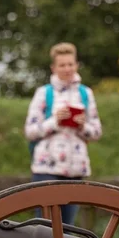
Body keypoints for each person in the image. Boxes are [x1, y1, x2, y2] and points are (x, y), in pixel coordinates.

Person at [23, 43, 103, 225]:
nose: (67, 69)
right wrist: (55, 121)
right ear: (54, 68)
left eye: (70, 64)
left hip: (75, 170)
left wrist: (82, 125)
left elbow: (97, 131)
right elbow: (30, 131)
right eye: (62, 65)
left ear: (76, 65)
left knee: (67, 229)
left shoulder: (86, 93)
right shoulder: (44, 93)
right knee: (44, 225)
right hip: (46, 169)